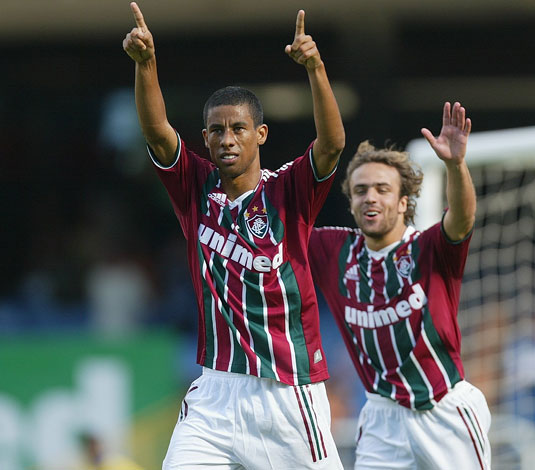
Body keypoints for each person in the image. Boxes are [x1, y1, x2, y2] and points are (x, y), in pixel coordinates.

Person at [122, 2, 345, 469]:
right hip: (215, 393)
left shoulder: (289, 192)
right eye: (217, 130)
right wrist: (146, 66)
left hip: (288, 392)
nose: (227, 138)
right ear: (205, 138)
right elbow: (158, 132)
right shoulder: (194, 189)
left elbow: (332, 145)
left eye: (238, 128)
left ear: (260, 134)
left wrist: (316, 69)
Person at [309, 102, 491, 469]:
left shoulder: (429, 248)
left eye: (382, 189)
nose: (370, 197)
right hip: (380, 418)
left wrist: (455, 165)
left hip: (445, 411)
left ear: (404, 200)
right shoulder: (332, 250)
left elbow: (462, 218)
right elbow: (279, 230)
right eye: (361, 191)